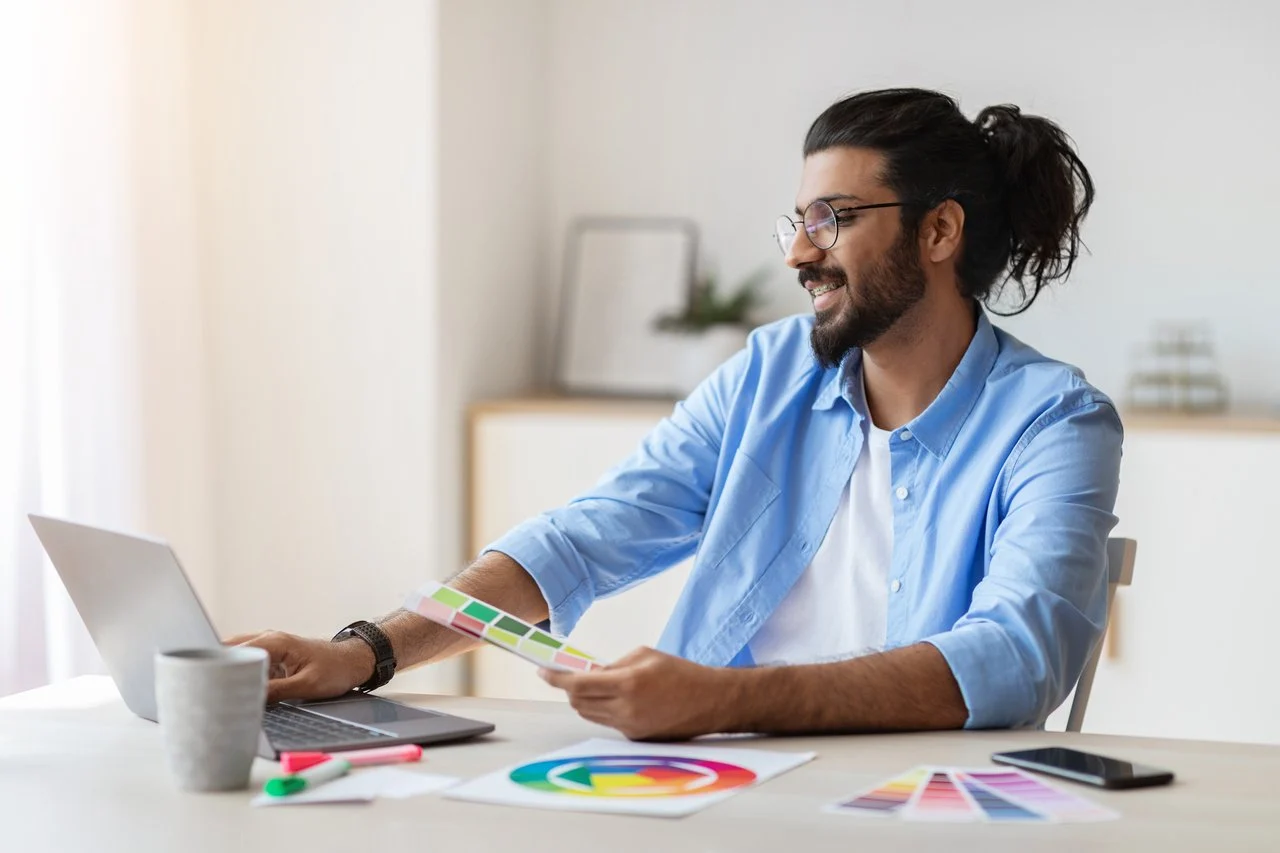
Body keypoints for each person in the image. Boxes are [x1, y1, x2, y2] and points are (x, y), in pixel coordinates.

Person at [233, 88, 1121, 741]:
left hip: (908, 809)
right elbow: (587, 536)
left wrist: (726, 698)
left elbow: (1012, 656)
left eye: (833, 218)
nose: (801, 254)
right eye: (798, 220)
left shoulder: (1054, 422)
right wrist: (363, 653)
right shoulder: (773, 373)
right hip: (711, 784)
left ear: (938, 233)